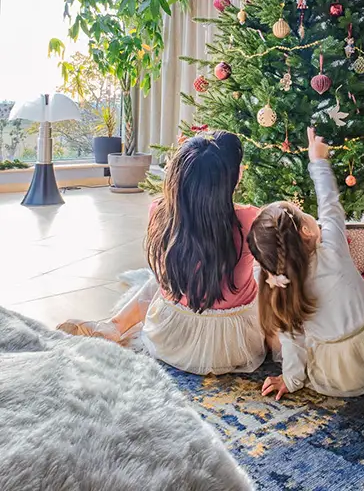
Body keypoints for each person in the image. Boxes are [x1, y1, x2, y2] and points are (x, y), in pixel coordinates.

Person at [58, 132, 266, 375]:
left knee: (163, 276)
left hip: (171, 341)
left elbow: (164, 275)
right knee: (260, 270)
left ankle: (114, 326)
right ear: (234, 178)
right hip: (234, 348)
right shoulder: (251, 219)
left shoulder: (160, 212)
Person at [247, 127, 364, 399]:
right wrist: (318, 161)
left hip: (337, 373)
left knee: (304, 334)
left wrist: (291, 379)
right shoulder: (333, 249)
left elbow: (292, 343)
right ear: (306, 231)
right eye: (302, 213)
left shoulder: (279, 285)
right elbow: (330, 204)